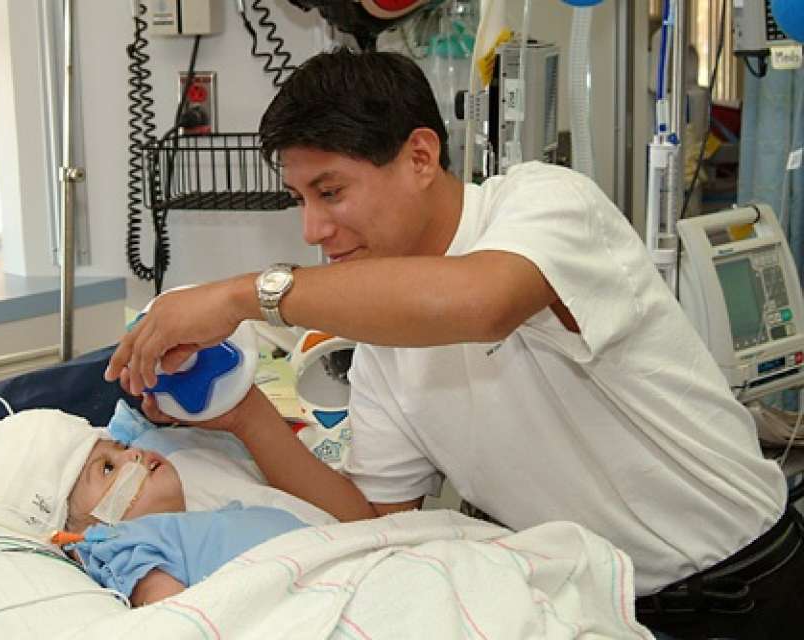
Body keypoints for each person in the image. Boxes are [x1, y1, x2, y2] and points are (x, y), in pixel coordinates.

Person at [103, 48, 804, 639]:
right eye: (301, 201)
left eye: (331, 192)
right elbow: (375, 518)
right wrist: (245, 416)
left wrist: (237, 296)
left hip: (745, 590)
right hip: (592, 606)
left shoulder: (544, 205)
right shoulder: (383, 333)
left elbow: (482, 303)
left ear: (419, 156)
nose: (312, 229)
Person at [0, 404, 332, 606]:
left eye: (121, 449)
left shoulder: (217, 513)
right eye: (107, 468)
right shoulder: (121, 544)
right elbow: (175, 620)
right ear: (72, 534)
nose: (134, 456)